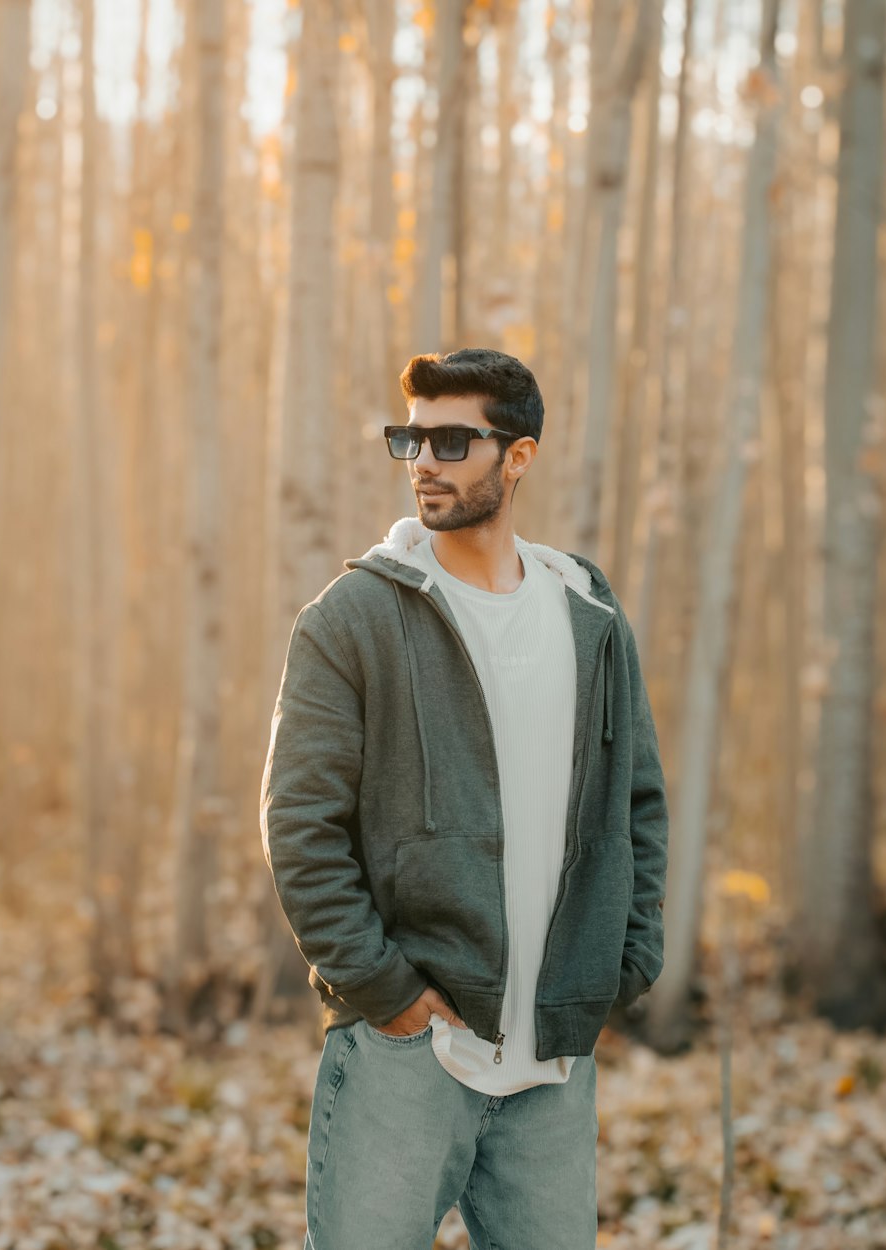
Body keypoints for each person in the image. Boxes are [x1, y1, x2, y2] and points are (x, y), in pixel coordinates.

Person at [260, 347, 669, 1250]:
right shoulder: (353, 618)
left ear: (517, 456)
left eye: (452, 440)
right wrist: (383, 990)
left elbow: (636, 800)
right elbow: (298, 823)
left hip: (552, 1064)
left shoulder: (587, 614)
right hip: (409, 1050)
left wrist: (622, 961)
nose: (424, 462)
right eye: (410, 438)